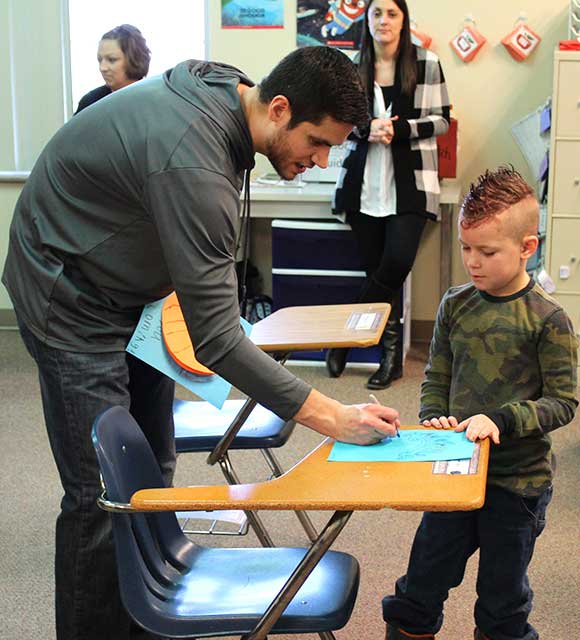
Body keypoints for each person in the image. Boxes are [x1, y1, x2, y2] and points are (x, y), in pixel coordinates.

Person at [3, 46, 402, 640]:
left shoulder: (235, 96)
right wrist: (331, 415)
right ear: (280, 109)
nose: (319, 162)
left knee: (150, 470)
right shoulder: (194, 160)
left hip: (129, 294)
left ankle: (138, 620)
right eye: (317, 143)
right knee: (101, 499)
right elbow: (217, 339)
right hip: (69, 299)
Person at [382, 166, 579, 640]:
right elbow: (437, 377)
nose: (472, 261)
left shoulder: (549, 319)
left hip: (517, 484)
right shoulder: (455, 304)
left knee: (502, 604)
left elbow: (563, 402)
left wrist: (501, 419)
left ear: (527, 248)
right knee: (419, 589)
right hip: (453, 473)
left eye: (487, 252)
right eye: (466, 248)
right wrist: (432, 416)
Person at [326, 0, 450, 390]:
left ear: (403, 20)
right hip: (363, 186)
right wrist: (366, 127)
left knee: (394, 264)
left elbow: (443, 119)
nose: (384, 20)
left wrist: (402, 130)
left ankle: (344, 340)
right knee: (379, 273)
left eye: (392, 13)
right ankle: (390, 360)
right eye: (377, 13)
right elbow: (335, 120)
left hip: (409, 187)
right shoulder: (349, 65)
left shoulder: (426, 62)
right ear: (367, 19)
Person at [75, 24, 150, 113]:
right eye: (100, 60)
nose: (102, 68)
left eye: (111, 60)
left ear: (134, 59)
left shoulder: (153, 101)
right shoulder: (90, 102)